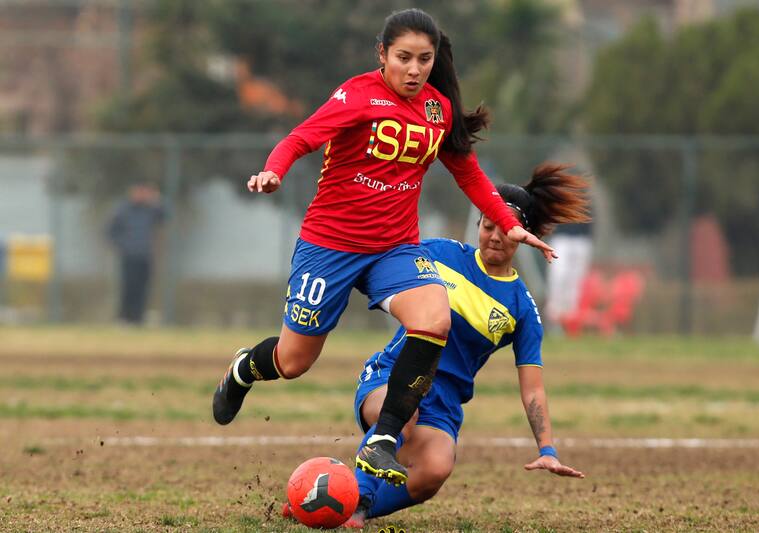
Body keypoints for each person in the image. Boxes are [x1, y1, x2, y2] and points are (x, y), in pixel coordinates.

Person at [211, 7, 555, 485]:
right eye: (404, 58)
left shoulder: (437, 109)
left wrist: (504, 220)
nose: (414, 70)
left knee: (434, 317)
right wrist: (274, 170)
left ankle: (383, 440)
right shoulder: (356, 94)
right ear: (382, 54)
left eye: (424, 60)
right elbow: (300, 137)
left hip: (394, 248)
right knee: (293, 362)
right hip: (330, 246)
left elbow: (469, 174)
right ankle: (243, 369)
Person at [335, 163, 591, 528]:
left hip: (445, 403)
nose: (495, 237)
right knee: (404, 415)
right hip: (392, 375)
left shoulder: (521, 308)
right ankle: (353, 505)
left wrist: (547, 450)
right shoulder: (439, 254)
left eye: (505, 230)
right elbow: (384, 263)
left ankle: (337, 503)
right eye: (488, 226)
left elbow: (532, 389)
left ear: (523, 234)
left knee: (436, 469)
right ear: (478, 224)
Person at [107, 182, 165, 325]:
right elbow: (110, 231)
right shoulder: (123, 210)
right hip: (129, 256)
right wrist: (123, 246)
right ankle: (124, 318)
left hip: (145, 255)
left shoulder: (150, 210)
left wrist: (156, 201)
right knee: (128, 287)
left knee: (143, 288)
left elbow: (165, 216)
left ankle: (138, 319)